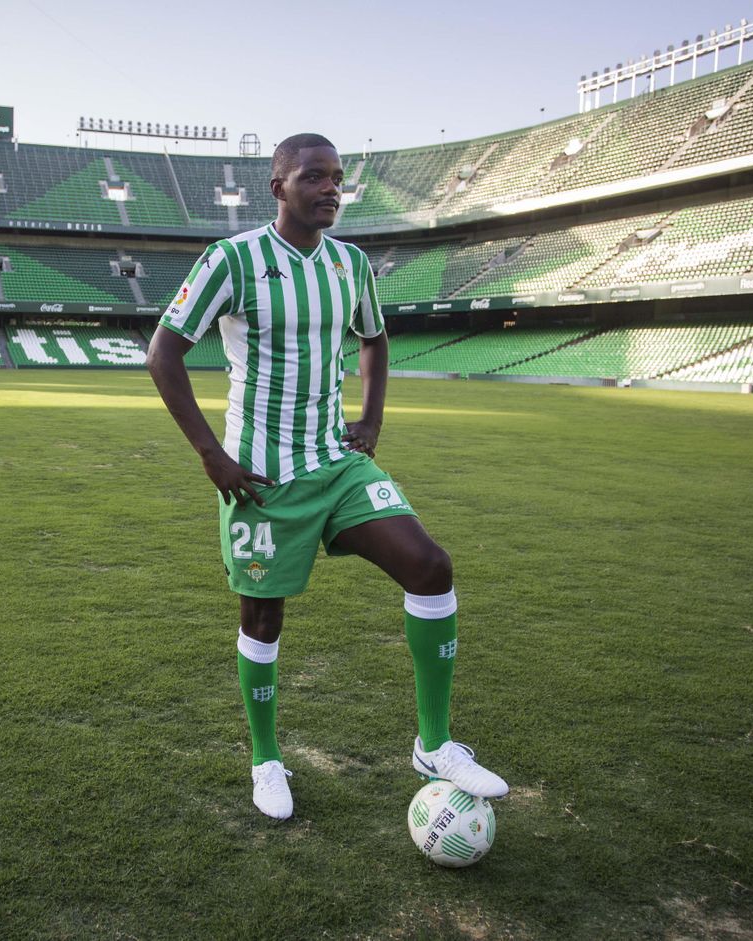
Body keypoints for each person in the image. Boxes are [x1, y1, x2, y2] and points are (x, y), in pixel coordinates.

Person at [146, 133, 507, 820]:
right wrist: (210, 454)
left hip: (337, 463)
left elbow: (373, 337)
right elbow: (164, 352)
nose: (330, 189)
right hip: (261, 477)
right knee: (262, 617)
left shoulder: (350, 265)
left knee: (430, 566)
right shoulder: (233, 259)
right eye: (314, 176)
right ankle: (266, 758)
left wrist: (369, 418)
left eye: (338, 178)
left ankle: (434, 743)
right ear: (278, 186)